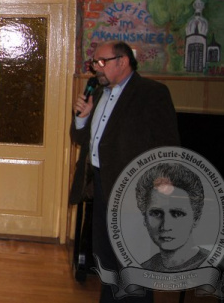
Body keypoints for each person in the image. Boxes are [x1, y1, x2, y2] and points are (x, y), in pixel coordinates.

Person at [69, 41, 180, 303]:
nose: (96, 68)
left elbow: (168, 142)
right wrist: (82, 117)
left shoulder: (151, 93)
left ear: (123, 61)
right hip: (101, 185)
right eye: (94, 62)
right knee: (106, 260)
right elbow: (82, 139)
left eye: (101, 62)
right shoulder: (99, 93)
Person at [135, 163, 209, 272]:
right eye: (156, 213)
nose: (166, 226)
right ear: (144, 218)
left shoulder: (211, 266)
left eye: (177, 214)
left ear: (196, 218)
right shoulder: (143, 269)